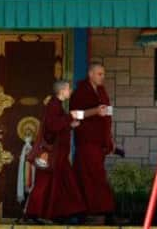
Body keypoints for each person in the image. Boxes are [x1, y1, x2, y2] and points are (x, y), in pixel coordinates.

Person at [25, 80, 85, 223]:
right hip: (51, 154)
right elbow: (52, 126)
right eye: (69, 89)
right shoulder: (53, 105)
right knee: (45, 183)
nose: (71, 91)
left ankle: (62, 214)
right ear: (63, 90)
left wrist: (70, 125)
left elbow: (58, 126)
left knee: (61, 183)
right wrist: (70, 116)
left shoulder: (56, 105)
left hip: (59, 155)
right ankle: (34, 214)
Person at [69, 63, 116, 222]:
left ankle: (93, 211)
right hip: (86, 141)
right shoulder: (80, 92)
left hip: (99, 141)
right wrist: (95, 111)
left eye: (103, 74)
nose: (102, 77)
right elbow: (75, 115)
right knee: (92, 176)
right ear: (90, 74)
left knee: (95, 175)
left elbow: (108, 114)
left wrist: (110, 138)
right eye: (99, 74)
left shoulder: (102, 91)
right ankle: (100, 212)